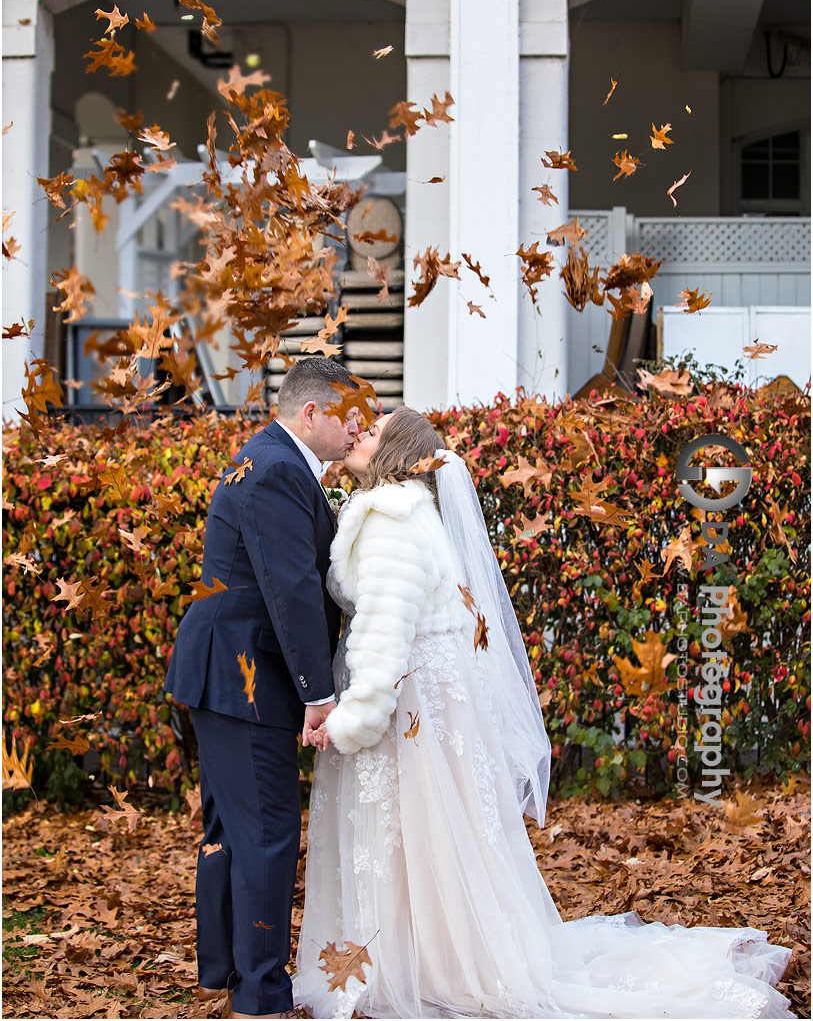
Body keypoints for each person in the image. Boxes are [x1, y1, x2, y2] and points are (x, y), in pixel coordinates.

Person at [293, 406, 796, 1020]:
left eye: (371, 432)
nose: (356, 435)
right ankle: (432, 955)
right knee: (436, 841)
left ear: (397, 453)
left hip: (404, 707)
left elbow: (383, 636)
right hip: (432, 705)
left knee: (413, 837)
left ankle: (427, 967)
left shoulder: (389, 522)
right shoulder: (416, 515)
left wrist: (350, 723)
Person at [165, 357, 361, 1019]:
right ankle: (260, 996)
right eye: (348, 414)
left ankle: (223, 967)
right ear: (312, 414)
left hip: (223, 670)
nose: (356, 425)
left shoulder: (266, 459)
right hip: (245, 676)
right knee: (269, 831)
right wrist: (318, 692)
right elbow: (290, 587)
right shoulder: (277, 468)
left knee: (232, 825)